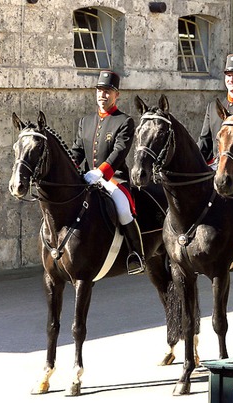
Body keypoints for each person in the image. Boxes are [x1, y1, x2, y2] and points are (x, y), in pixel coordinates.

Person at [71, 70, 145, 275]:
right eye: (100, 90)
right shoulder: (85, 121)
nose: (102, 95)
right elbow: (77, 151)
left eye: (107, 91)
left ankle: (135, 254)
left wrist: (101, 172)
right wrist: (72, 171)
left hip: (113, 178)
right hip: (87, 178)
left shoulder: (124, 121)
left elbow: (119, 152)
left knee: (123, 208)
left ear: (116, 94)